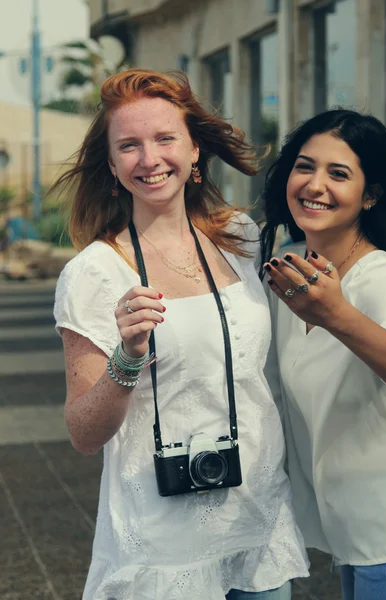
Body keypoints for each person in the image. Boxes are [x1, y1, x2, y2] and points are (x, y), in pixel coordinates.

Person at [52, 68, 308, 600]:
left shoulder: (241, 238)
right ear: (112, 163)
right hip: (164, 543)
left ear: (194, 150)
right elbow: (83, 433)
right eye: (129, 145)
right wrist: (128, 357)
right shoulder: (95, 274)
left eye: (165, 138)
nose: (149, 160)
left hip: (258, 519)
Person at [261, 108, 386, 600]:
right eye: (305, 166)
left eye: (338, 174)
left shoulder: (382, 278)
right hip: (347, 527)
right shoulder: (288, 268)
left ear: (371, 195)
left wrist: (336, 315)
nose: (314, 184)